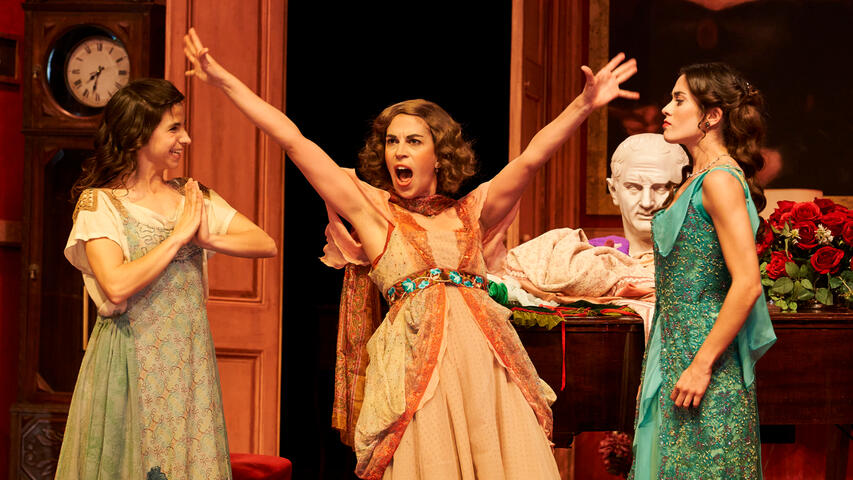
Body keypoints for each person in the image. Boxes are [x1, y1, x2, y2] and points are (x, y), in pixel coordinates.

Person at [184, 28, 637, 479]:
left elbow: (531, 158)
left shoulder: (471, 212)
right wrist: (224, 80)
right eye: (392, 141)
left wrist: (583, 105)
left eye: (413, 141)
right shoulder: (373, 213)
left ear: (439, 156)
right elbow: (294, 140)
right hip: (417, 373)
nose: (399, 151)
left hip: (486, 370)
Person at [56, 78, 277, 480]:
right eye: (174, 128)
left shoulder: (190, 196)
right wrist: (178, 238)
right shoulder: (101, 203)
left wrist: (207, 238)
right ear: (138, 133)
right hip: (130, 361)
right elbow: (116, 285)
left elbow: (265, 243)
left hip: (187, 360)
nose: (185, 138)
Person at [628, 63, 776, 479]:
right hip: (674, 350)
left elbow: (747, 284)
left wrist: (701, 364)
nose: (665, 109)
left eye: (679, 100)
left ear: (711, 116)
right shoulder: (696, 179)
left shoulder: (720, 181)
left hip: (705, 359)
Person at [606, 133, 688, 261]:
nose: (647, 202)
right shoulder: (592, 260)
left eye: (661, 188)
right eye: (634, 187)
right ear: (614, 191)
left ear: (684, 191)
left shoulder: (701, 263)